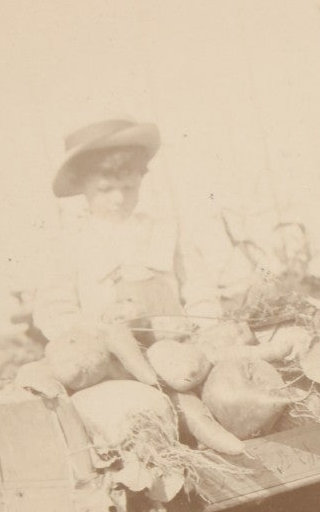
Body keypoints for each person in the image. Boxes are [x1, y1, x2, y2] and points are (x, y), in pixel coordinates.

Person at [32, 117, 249, 344]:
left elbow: (199, 288)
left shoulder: (164, 231)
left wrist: (206, 327)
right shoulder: (71, 244)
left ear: (140, 180)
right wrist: (93, 332)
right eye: (105, 189)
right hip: (111, 358)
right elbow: (54, 310)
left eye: (129, 187)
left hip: (181, 351)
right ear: (81, 186)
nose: (119, 198)